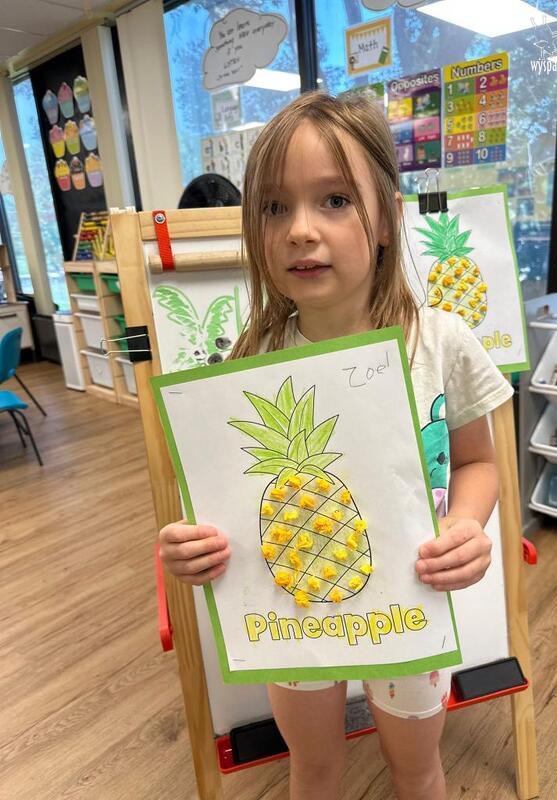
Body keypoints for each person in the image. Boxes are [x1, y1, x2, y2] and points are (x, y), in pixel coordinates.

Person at [159, 92, 514, 800]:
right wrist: (190, 546)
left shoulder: (440, 342)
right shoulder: (250, 360)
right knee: (314, 766)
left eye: (335, 200)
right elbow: (222, 497)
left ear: (386, 219)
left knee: (417, 768)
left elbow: (477, 461)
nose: (300, 230)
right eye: (274, 207)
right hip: (291, 609)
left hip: (410, 601)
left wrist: (467, 525)